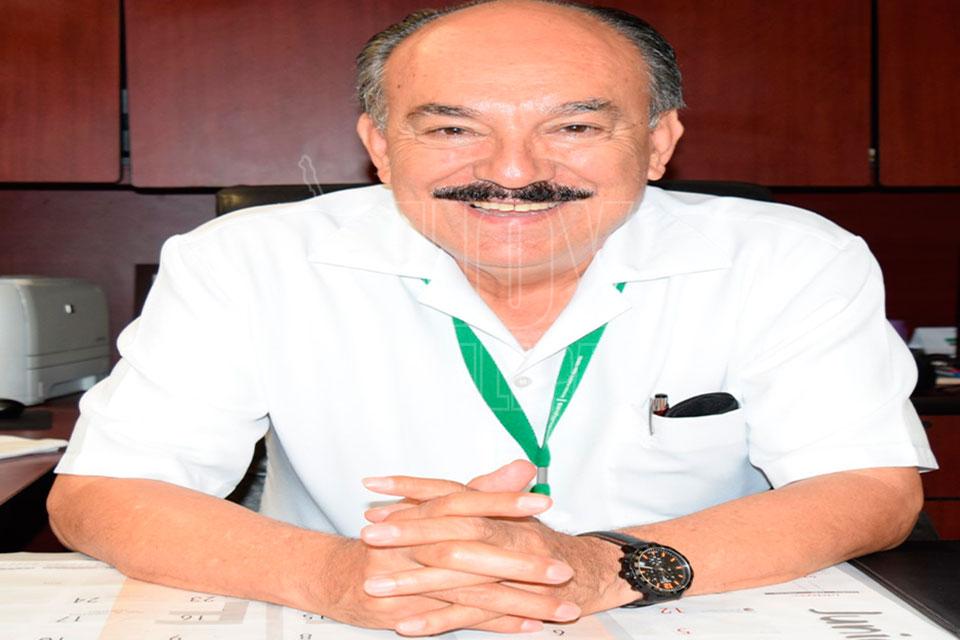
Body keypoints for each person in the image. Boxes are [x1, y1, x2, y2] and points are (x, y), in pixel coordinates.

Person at [47, 0, 935, 636]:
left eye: (575, 128)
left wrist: (604, 566)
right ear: (380, 146)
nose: (513, 172)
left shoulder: (788, 258)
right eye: (451, 130)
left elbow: (869, 488)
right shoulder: (245, 260)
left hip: (683, 609)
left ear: (659, 143)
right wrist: (344, 576)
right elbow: (105, 494)